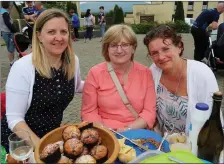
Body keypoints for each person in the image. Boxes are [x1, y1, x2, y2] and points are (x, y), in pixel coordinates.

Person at [1, 9, 84, 152]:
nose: (59, 37)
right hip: (21, 144)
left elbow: (78, 86)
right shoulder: (23, 67)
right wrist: (41, 149)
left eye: (63, 32)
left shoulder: (72, 61)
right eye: (51, 32)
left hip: (51, 138)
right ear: (39, 35)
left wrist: (105, 83)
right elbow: (15, 119)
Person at [143, 25, 219, 135]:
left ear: (179, 47)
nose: (161, 57)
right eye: (154, 53)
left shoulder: (201, 73)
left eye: (165, 49)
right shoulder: (154, 71)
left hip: (196, 142)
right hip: (164, 141)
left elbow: (213, 117)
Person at [81, 24, 156, 132]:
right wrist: (105, 131)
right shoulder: (95, 73)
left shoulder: (145, 73)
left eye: (125, 45)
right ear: (107, 49)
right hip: (104, 133)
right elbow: (88, 112)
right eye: (114, 45)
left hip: (137, 132)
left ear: (133, 48)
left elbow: (149, 112)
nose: (119, 50)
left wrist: (127, 129)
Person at [0, 1, 17, 66]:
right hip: (8, 32)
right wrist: (14, 30)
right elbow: (8, 23)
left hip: (4, 32)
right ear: (8, 5)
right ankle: (12, 62)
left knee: (10, 47)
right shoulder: (4, 13)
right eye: (10, 5)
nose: (10, 6)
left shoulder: (2, 11)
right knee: (11, 48)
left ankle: (12, 61)